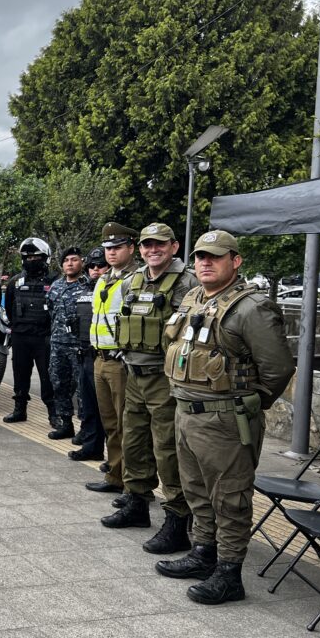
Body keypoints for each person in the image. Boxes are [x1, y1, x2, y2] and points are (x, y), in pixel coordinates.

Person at [155, 231, 294, 605]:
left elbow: (278, 369)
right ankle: (204, 554)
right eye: (201, 256)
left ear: (235, 261)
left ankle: (229, 574)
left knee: (229, 499)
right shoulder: (193, 298)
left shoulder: (252, 308)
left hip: (225, 421)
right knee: (197, 492)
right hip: (186, 413)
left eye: (215, 257)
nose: (205, 262)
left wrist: (248, 404)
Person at [102, 223, 199, 555]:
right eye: (147, 245)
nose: (152, 250)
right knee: (134, 439)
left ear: (173, 246)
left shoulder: (189, 283)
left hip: (165, 378)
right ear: (140, 249)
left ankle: (176, 520)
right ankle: (137, 502)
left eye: (160, 244)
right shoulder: (134, 279)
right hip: (134, 371)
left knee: (167, 448)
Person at [84, 222, 140, 495]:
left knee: (127, 425)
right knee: (110, 424)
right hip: (100, 359)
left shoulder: (137, 279)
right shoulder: (104, 279)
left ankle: (134, 486)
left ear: (131, 248)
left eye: (117, 247)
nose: (111, 253)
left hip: (121, 362)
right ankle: (115, 477)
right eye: (108, 248)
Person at [2, 237, 56, 425]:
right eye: (28, 256)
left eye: (36, 256)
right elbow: (9, 307)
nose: (32, 260)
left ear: (46, 257)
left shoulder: (55, 281)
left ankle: (53, 413)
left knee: (48, 377)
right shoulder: (15, 282)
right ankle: (19, 410)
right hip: (21, 337)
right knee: (20, 374)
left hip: (44, 338)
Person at [67, 247, 108, 462]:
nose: (96, 269)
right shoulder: (81, 289)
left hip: (105, 358)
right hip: (83, 354)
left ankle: (116, 461)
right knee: (89, 407)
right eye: (91, 266)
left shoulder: (116, 288)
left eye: (101, 265)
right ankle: (92, 447)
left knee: (109, 411)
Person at [46, 247, 91, 439]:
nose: (70, 264)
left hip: (79, 346)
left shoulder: (88, 286)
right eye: (66, 261)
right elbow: (51, 312)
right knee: (59, 384)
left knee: (82, 388)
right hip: (58, 344)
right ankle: (65, 423)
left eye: (74, 260)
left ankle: (85, 428)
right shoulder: (55, 286)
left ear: (81, 262)